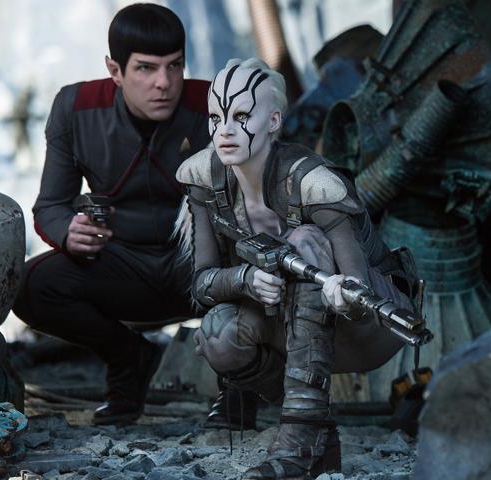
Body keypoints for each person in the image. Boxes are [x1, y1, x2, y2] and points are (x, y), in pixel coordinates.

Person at [175, 57, 419, 479]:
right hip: (283, 323)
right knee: (216, 335)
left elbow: (357, 284)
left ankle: (298, 444)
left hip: (369, 326)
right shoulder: (203, 177)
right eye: (216, 118)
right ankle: (316, 432)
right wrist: (246, 279)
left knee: (305, 241)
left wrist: (341, 292)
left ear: (273, 121)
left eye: (240, 116)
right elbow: (201, 283)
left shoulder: (313, 182)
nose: (225, 130)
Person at [12, 3, 211, 425]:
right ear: (115, 70)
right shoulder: (76, 108)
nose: (164, 83)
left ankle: (240, 391)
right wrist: (69, 232)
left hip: (202, 264)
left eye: (175, 65)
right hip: (122, 264)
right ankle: (128, 358)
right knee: (28, 287)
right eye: (146, 68)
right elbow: (50, 205)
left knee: (266, 271)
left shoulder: (216, 105)